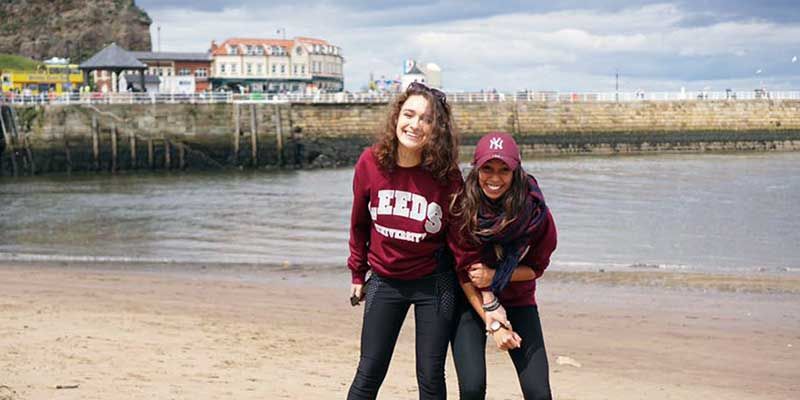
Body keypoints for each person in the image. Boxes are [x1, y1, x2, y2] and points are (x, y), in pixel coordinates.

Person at [347, 82, 467, 400]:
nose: (414, 125)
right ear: (397, 117)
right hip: (385, 280)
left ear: (436, 128)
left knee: (430, 375)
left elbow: (459, 240)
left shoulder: (447, 176)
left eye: (426, 119)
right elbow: (359, 224)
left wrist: (482, 286)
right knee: (369, 371)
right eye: (409, 114)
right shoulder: (370, 163)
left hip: (434, 282)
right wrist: (358, 274)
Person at [450, 132, 558, 400]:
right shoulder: (462, 208)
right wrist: (494, 323)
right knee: (473, 389)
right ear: (476, 169)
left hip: (518, 299)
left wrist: (496, 276)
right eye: (487, 168)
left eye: (504, 170)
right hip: (470, 300)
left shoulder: (535, 212)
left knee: (539, 393)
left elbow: (537, 268)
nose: (495, 178)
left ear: (516, 171)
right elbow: (466, 274)